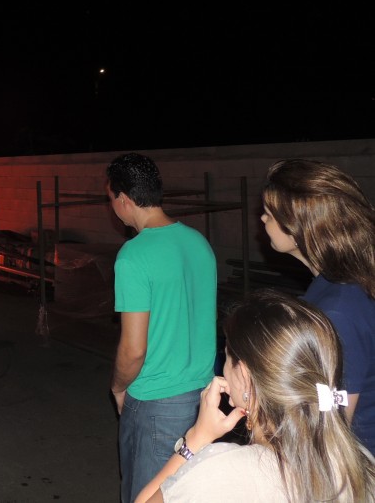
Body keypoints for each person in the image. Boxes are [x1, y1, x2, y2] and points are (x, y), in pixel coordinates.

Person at [135, 288, 375, 502]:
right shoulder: (361, 464)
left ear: (244, 375)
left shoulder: (222, 472)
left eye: (227, 355)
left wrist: (197, 438)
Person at [105, 152, 218, 503]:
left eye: (111, 199)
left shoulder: (133, 255)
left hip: (157, 403)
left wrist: (118, 387)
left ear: (124, 200)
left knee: (147, 495)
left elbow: (133, 349)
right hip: (204, 399)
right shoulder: (198, 242)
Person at [261, 158, 375, 455]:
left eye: (269, 214)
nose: (262, 219)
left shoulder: (338, 309)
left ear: (299, 225)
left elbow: (333, 424)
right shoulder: (341, 282)